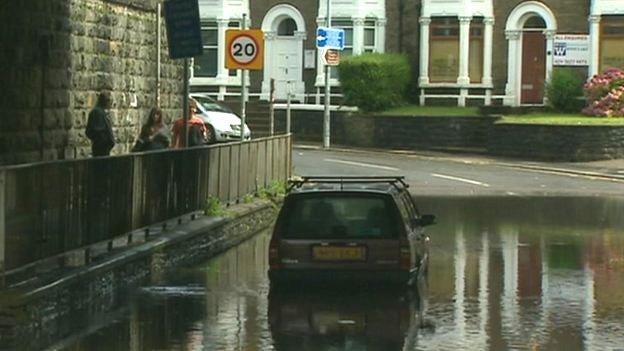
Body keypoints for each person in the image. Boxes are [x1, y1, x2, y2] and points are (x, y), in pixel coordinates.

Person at [86, 91, 115, 156]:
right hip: (101, 149)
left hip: (104, 149)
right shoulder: (97, 113)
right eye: (109, 101)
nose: (111, 103)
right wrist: (105, 142)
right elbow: (98, 131)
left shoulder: (101, 112)